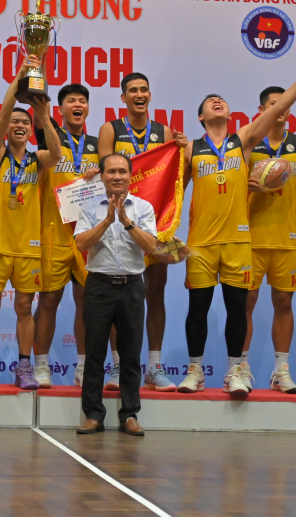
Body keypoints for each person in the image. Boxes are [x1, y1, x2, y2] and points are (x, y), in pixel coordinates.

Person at [177, 49, 296, 399]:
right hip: (200, 242)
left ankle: (235, 372)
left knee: (236, 309)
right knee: (197, 309)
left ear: (232, 114)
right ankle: (195, 371)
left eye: (221, 100)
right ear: (200, 116)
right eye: (209, 102)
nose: (216, 101)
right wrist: (163, 233)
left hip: (237, 241)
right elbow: (172, 193)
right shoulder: (189, 149)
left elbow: (278, 108)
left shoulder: (242, 141)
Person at [0, 56, 61, 390]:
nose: (20, 124)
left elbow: (57, 154)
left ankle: (24, 367)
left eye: (25, 121)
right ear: (7, 129)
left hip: (28, 248)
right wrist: (20, 76)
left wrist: (43, 115)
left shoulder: (38, 160)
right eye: (15, 121)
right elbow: (2, 113)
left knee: (25, 306)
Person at [98, 72, 185, 392]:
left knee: (156, 293)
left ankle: (155, 366)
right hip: (120, 221)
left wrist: (182, 152)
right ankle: (118, 366)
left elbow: (174, 179)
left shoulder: (164, 132)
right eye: (133, 90)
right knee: (117, 296)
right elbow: (105, 175)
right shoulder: (110, 129)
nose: (139, 94)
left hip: (153, 222)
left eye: (144, 90)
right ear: (123, 98)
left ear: (149, 96)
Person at [74, 153, 160, 437]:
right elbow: (80, 243)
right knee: (94, 353)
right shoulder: (89, 206)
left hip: (132, 286)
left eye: (122, 171)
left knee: (131, 354)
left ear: (130, 176)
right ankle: (93, 415)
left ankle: (130, 415)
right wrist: (107, 220)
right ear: (102, 175)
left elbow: (151, 246)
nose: (117, 176)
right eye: (111, 171)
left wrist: (126, 222)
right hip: (98, 285)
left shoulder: (143, 207)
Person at [242, 85, 296, 393]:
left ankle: (281, 371)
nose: (279, 108)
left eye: (284, 104)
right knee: (246, 302)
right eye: (272, 104)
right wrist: (246, 184)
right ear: (261, 110)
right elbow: (231, 184)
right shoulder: (249, 141)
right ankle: (240, 368)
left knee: (284, 302)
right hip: (252, 235)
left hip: (286, 235)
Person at [33, 82, 99, 388]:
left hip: (88, 233)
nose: (78, 104)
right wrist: (38, 64)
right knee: (49, 300)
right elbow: (39, 111)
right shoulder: (50, 136)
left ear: (88, 108)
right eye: (71, 100)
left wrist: (99, 174)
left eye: (82, 100)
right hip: (54, 231)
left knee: (87, 302)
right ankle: (41, 365)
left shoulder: (97, 144)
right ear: (59, 109)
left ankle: (83, 367)